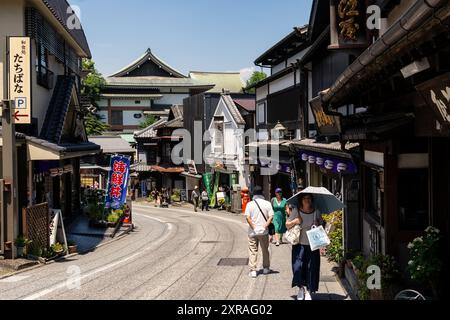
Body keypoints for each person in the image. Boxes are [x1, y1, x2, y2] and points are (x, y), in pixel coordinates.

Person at [286, 194, 324, 301]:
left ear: (311, 200)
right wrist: (295, 221)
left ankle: (308, 291)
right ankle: (300, 288)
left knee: (311, 268)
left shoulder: (316, 211)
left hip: (313, 246)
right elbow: (287, 224)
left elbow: (322, 224)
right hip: (299, 245)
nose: (307, 201)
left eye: (309, 199)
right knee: (298, 267)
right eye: (305, 198)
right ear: (301, 200)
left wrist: (317, 223)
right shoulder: (296, 211)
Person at [245, 186, 274, 278]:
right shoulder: (267, 203)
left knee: (253, 250)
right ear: (262, 193)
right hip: (264, 232)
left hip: (252, 232)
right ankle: (266, 268)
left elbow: (247, 218)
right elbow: (271, 217)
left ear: (254, 194)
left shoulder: (250, 204)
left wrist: (254, 227)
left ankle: (253, 270)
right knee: (265, 250)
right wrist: (265, 226)